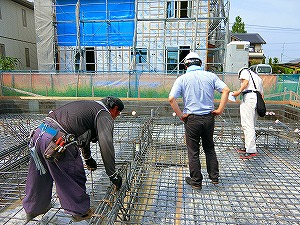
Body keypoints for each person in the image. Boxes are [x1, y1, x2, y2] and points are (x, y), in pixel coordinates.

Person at [23, 96, 124, 222]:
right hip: (58, 141)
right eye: (118, 113)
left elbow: (82, 136)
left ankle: (33, 209)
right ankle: (80, 213)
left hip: (39, 133)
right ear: (114, 109)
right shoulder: (104, 114)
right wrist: (112, 174)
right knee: (73, 174)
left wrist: (88, 158)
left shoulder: (89, 107)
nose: (116, 116)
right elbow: (106, 143)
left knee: (39, 174)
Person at [168, 52, 230, 190]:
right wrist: (219, 110)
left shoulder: (182, 79)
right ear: (200, 64)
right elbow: (226, 90)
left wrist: (181, 115)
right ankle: (214, 177)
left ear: (186, 65)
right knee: (209, 147)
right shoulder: (211, 76)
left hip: (192, 119)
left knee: (193, 151)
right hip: (209, 117)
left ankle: (196, 181)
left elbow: (171, 99)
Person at [232, 67, 264, 159]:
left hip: (249, 98)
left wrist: (238, 91)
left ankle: (251, 150)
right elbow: (262, 94)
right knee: (251, 125)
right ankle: (248, 147)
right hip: (257, 99)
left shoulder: (244, 71)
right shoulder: (257, 77)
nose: (240, 80)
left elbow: (245, 82)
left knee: (247, 125)